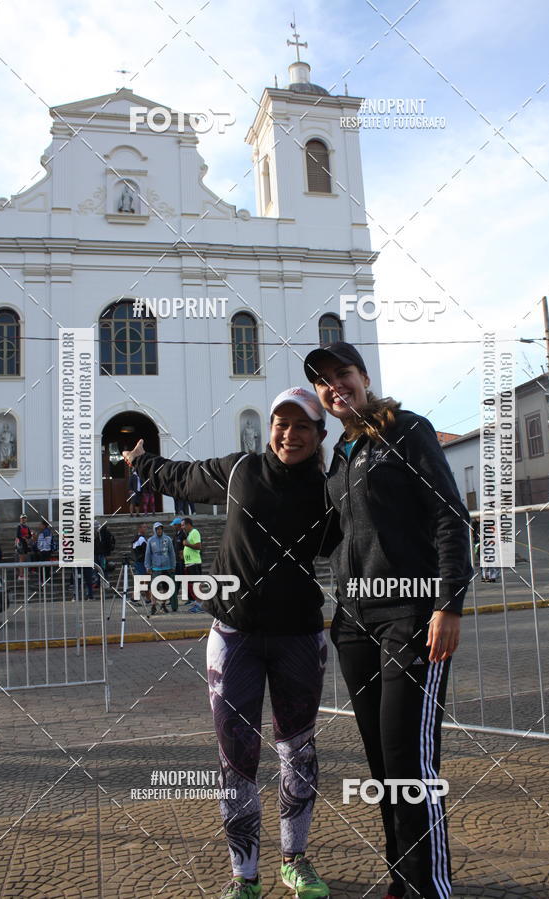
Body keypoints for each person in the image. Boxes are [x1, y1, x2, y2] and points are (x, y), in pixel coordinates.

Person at [123, 387, 332, 899]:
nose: (289, 433)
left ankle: (294, 860)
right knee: (237, 759)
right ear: (270, 428)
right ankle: (245, 876)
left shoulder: (333, 488)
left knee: (298, 752)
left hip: (299, 636)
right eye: (281, 423)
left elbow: (364, 536)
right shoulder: (240, 469)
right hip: (234, 638)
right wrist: (141, 461)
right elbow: (180, 476)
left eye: (302, 425)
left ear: (320, 435)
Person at [304, 342, 472, 899]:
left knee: (408, 759)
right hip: (354, 624)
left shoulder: (406, 430)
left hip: (411, 617)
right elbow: (333, 536)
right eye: (324, 382)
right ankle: (403, 877)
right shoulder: (340, 454)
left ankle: (431, 887)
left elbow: (450, 517)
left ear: (364, 377)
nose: (335, 387)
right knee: (381, 762)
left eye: (342, 374)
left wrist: (448, 604)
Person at [144, 522, 175, 615]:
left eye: (161, 529)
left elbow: (172, 553)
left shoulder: (168, 539)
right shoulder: (150, 540)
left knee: (166, 587)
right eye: (157, 529)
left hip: (167, 566)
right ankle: (153, 605)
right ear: (154, 530)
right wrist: (148, 566)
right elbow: (148, 554)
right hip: (155, 568)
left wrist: (173, 565)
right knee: (154, 587)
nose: (159, 531)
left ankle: (163, 604)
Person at [183, 518, 204, 611]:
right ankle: (198, 602)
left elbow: (199, 546)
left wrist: (187, 545)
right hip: (189, 563)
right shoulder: (190, 534)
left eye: (183, 525)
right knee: (193, 585)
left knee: (197, 584)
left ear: (188, 524)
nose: (182, 527)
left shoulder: (195, 532)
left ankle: (200, 605)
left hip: (194, 563)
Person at [171, 516, 187, 611]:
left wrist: (183, 557)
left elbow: (185, 548)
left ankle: (186, 598)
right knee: (176, 580)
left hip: (181, 561)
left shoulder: (183, 535)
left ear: (178, 525)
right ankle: (174, 598)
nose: (173, 526)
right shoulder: (176, 535)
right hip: (176, 561)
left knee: (181, 580)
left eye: (174, 525)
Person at [15, 513, 31, 580]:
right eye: (22, 518)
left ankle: (23, 574)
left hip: (25, 544)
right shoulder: (19, 526)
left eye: (25, 518)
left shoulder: (27, 527)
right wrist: (25, 537)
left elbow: (29, 535)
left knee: (24, 560)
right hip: (20, 544)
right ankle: (20, 575)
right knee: (21, 560)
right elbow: (18, 535)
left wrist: (28, 537)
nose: (24, 519)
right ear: (20, 519)